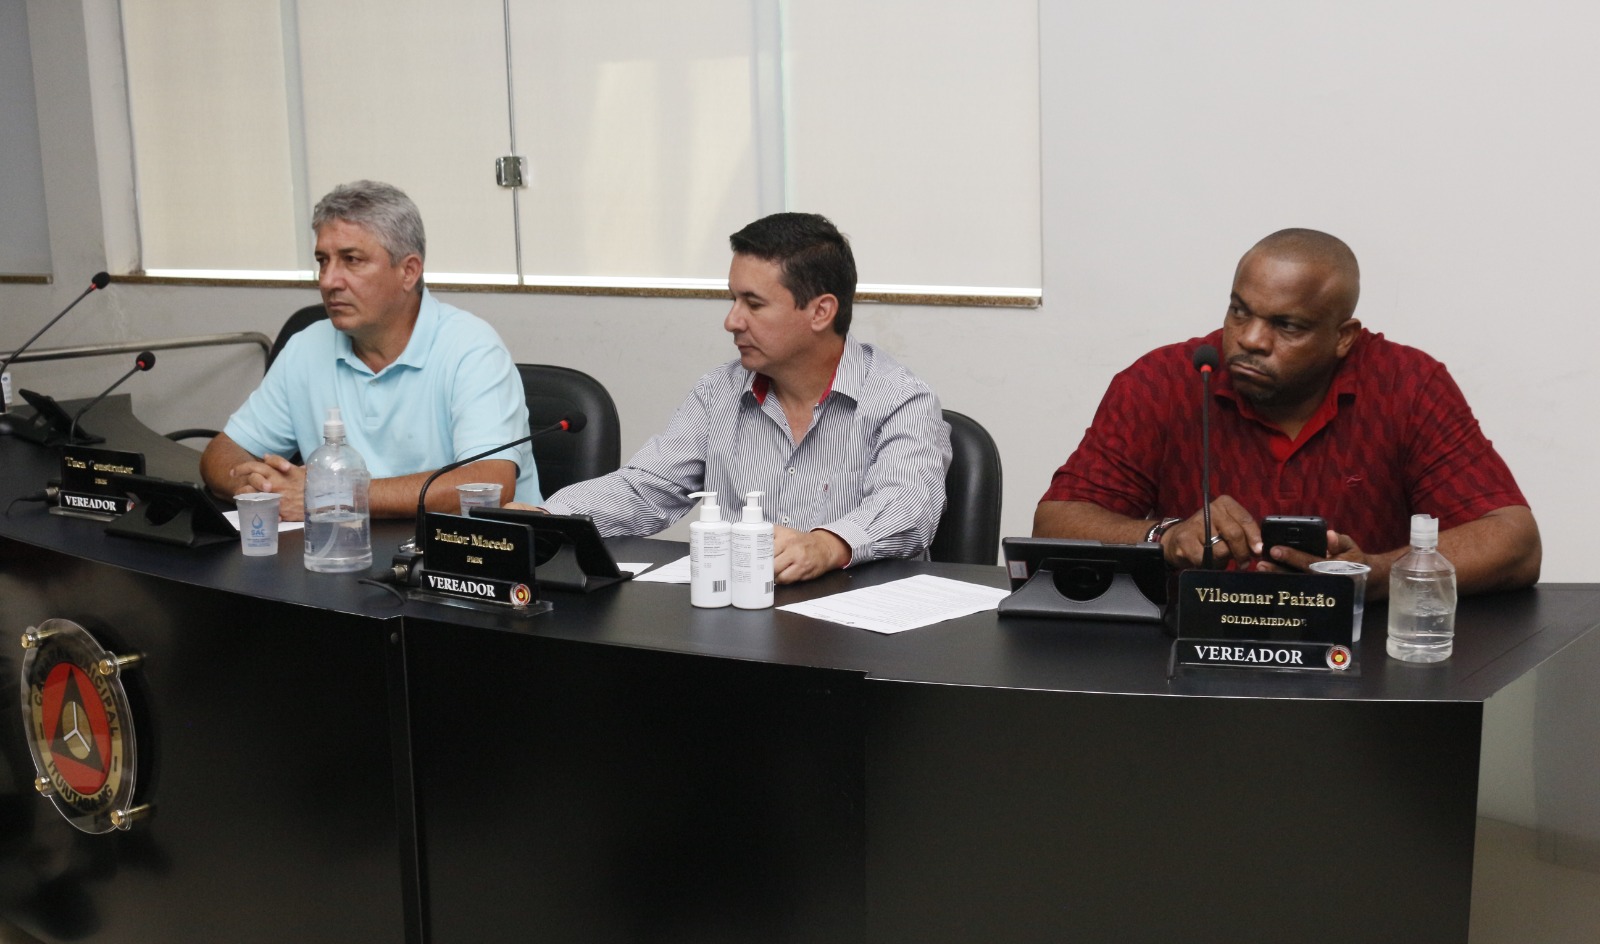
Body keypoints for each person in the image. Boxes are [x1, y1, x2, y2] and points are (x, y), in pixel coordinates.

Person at [1033, 228, 1540, 597]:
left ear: (1344, 337)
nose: (1250, 339)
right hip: (1191, 656)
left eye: (1287, 326)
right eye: (1239, 311)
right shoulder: (1167, 381)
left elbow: (1514, 542)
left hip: (1359, 663)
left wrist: (1374, 574)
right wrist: (1163, 536)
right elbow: (1055, 521)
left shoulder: (1406, 385)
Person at [531, 212, 951, 585]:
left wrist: (827, 545)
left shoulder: (900, 398)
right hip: (738, 614)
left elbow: (911, 504)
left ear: (821, 312)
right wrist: (547, 519)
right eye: (733, 299)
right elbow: (647, 488)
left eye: (753, 304)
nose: (732, 321)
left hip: (856, 621)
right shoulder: (719, 391)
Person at [200, 180, 539, 520]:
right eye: (323, 261)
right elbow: (222, 453)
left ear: (408, 271)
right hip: (341, 546)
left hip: (461, 549)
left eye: (352, 260)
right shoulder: (306, 347)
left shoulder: (472, 349)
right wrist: (259, 486)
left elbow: (488, 484)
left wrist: (331, 496)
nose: (328, 281)